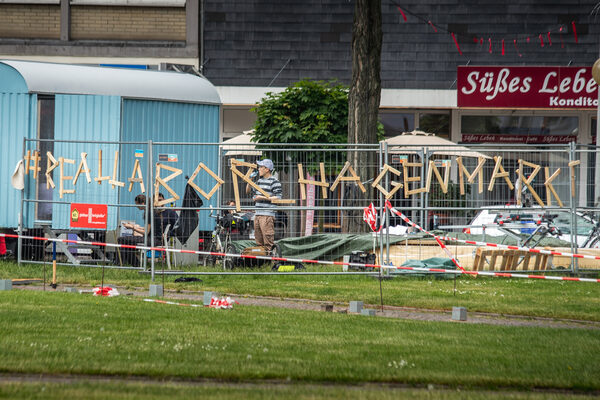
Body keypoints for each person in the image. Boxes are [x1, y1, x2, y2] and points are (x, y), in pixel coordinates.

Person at [117, 193, 178, 267]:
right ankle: (132, 264)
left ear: (142, 203)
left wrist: (133, 227)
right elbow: (150, 229)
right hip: (153, 238)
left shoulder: (150, 212)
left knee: (121, 240)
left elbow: (146, 232)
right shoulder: (153, 212)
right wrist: (135, 227)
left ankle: (125, 264)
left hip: (155, 240)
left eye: (137, 205)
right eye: (156, 201)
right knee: (126, 241)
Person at [245, 159, 282, 252]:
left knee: (268, 240)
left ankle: (271, 261)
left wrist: (262, 198)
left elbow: (278, 198)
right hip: (257, 214)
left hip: (267, 215)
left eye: (261, 167)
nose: (259, 169)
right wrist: (250, 180)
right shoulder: (259, 181)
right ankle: (262, 261)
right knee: (258, 240)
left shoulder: (274, 181)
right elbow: (248, 191)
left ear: (267, 169)